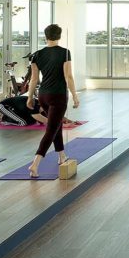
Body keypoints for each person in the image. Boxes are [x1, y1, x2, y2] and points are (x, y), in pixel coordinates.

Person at [26, 24, 80, 177]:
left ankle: (62, 156)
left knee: (55, 126)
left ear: (46, 36)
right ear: (60, 36)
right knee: (51, 130)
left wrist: (30, 97)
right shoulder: (65, 53)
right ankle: (35, 164)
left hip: (43, 95)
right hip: (58, 96)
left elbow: (34, 79)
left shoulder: (36, 55)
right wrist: (75, 96)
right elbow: (68, 76)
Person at [0, 96, 80, 128]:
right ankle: (2, 117)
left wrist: (70, 120)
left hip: (18, 109)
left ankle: (6, 116)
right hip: (5, 106)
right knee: (22, 123)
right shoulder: (33, 105)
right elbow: (49, 122)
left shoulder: (43, 107)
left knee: (32, 121)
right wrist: (62, 125)